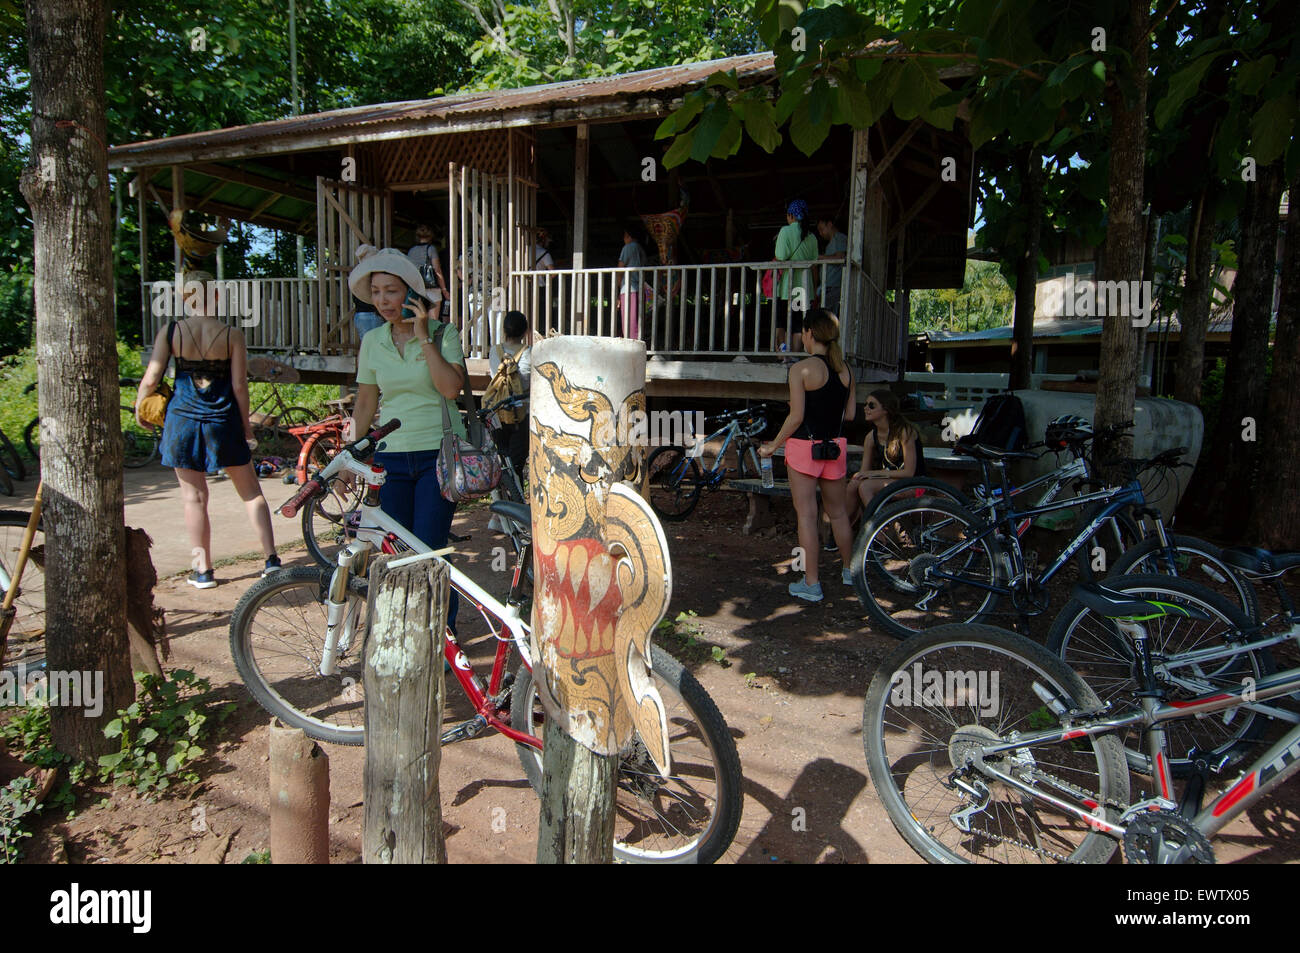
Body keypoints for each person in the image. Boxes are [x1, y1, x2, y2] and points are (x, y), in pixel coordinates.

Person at [136, 271, 279, 588]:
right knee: (252, 492)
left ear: (184, 297)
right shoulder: (232, 334)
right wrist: (247, 429)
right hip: (223, 420)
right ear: (216, 295)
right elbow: (240, 386)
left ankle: (203, 571)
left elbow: (151, 378)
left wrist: (139, 408)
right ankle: (271, 560)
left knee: (194, 498)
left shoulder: (171, 331)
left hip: (182, 421)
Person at [348, 248, 466, 559]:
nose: (382, 300)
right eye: (376, 292)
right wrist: (349, 456)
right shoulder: (373, 341)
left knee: (429, 550)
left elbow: (451, 388)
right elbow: (364, 404)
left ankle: (442, 609)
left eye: (391, 291)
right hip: (390, 459)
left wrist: (423, 336)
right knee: (397, 552)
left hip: (438, 454)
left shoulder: (444, 334)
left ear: (412, 293)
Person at [759, 309, 856, 603]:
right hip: (834, 447)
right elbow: (849, 414)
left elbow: (796, 417)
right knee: (838, 514)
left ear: (810, 333)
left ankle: (811, 583)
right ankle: (851, 571)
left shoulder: (800, 369)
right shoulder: (846, 370)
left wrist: (773, 446)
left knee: (807, 516)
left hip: (804, 448)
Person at [847, 388, 926, 526]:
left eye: (871, 405)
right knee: (855, 483)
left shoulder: (905, 432)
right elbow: (864, 471)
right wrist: (862, 475)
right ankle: (842, 527)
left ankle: (879, 533)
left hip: (915, 484)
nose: (866, 408)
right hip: (890, 481)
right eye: (865, 405)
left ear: (886, 410)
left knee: (866, 487)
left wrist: (872, 474)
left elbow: (909, 472)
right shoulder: (871, 437)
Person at [487, 309, 532, 472]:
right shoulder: (528, 352)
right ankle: (515, 493)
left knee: (502, 457)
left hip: (498, 410)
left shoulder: (494, 351)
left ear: (504, 330)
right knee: (517, 463)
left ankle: (504, 490)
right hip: (521, 412)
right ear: (525, 331)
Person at [774, 199, 818, 340]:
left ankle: (782, 355)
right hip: (804, 289)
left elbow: (780, 256)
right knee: (798, 325)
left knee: (781, 323)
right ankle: (794, 355)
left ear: (791, 215)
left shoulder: (785, 231)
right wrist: (815, 289)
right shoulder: (812, 237)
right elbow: (814, 264)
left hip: (787, 288)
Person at [618, 222, 648, 340]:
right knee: (638, 322)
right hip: (640, 289)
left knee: (629, 323)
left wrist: (619, 287)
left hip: (628, 289)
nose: (624, 239)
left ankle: (631, 350)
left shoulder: (628, 247)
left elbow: (620, 269)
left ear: (629, 236)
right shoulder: (641, 250)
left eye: (625, 236)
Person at [406, 224, 449, 303]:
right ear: (431, 236)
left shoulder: (411, 251)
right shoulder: (431, 249)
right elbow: (437, 270)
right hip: (430, 287)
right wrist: (444, 289)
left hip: (415, 287)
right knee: (433, 314)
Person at [352, 244, 384, 341]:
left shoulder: (357, 273)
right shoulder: (372, 274)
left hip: (360, 314)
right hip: (372, 313)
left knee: (368, 345)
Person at [817, 216, 848, 316]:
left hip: (834, 287)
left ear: (829, 224)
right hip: (828, 287)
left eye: (822, 229)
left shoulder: (839, 238)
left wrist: (819, 257)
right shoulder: (831, 243)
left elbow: (839, 257)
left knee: (827, 318)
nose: (821, 233)